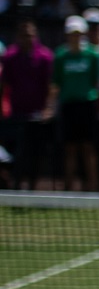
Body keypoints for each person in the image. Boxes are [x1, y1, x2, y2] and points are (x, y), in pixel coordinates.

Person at [1, 19, 55, 187]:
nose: (28, 39)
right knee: (15, 154)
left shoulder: (45, 57)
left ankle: (33, 187)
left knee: (36, 154)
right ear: (18, 37)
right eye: (24, 35)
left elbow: (51, 86)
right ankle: (16, 186)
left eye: (31, 35)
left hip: (38, 116)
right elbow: (3, 85)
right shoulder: (9, 57)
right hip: (16, 115)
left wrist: (48, 109)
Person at [53, 16, 99, 191]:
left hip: (86, 105)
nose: (75, 37)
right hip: (68, 106)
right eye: (72, 34)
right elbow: (56, 83)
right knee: (70, 149)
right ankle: (68, 189)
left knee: (88, 148)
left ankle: (92, 189)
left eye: (78, 33)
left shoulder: (92, 55)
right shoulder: (60, 56)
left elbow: (95, 81)